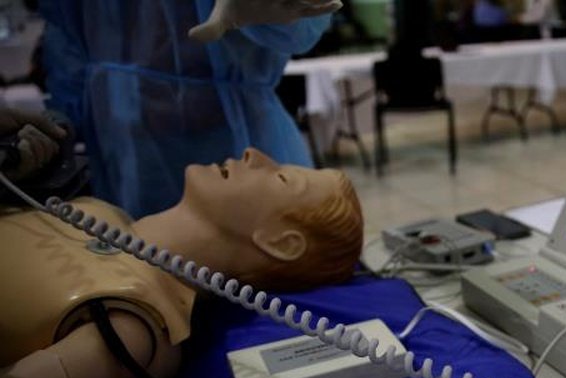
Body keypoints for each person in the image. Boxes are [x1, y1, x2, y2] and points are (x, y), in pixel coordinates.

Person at [0, 147, 363, 378]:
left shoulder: (133, 330)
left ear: (281, 243)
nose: (255, 154)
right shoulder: (96, 212)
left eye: (281, 177)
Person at [37, 0, 341, 218]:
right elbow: (66, 55)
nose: (247, 163)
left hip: (232, 130)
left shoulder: (243, 171)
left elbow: (304, 23)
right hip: (122, 151)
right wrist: (56, 130)